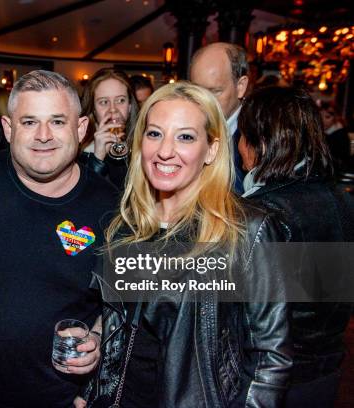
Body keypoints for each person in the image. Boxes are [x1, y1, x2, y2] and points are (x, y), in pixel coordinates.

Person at [85, 82, 293, 407]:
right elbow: (120, 327)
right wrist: (94, 387)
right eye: (154, 134)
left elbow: (270, 358)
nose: (165, 150)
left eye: (185, 136)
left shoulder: (247, 230)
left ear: (211, 149)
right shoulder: (126, 225)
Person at [0, 70, 119, 407]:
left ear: (81, 129)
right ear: (9, 129)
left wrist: (98, 336)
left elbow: (121, 305)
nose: (43, 135)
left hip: (62, 400)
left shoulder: (112, 208)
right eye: (29, 122)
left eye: (57, 121)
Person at [238, 86, 354, 408]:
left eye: (242, 135)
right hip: (327, 370)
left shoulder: (262, 214)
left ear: (259, 142)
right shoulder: (342, 201)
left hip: (271, 380)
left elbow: (249, 315)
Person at [190, 42, 249, 194]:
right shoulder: (179, 128)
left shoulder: (259, 137)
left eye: (214, 91)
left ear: (240, 86)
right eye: (196, 91)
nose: (203, 101)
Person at [79, 68, 139, 189]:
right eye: (104, 102)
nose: (113, 109)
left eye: (120, 100)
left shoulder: (144, 146)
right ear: (94, 110)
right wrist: (97, 159)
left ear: (129, 106)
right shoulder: (78, 151)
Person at [319, 101, 352, 172]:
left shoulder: (340, 134)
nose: (323, 120)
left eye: (327, 117)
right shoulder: (321, 133)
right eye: (320, 116)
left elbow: (341, 161)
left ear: (336, 118)